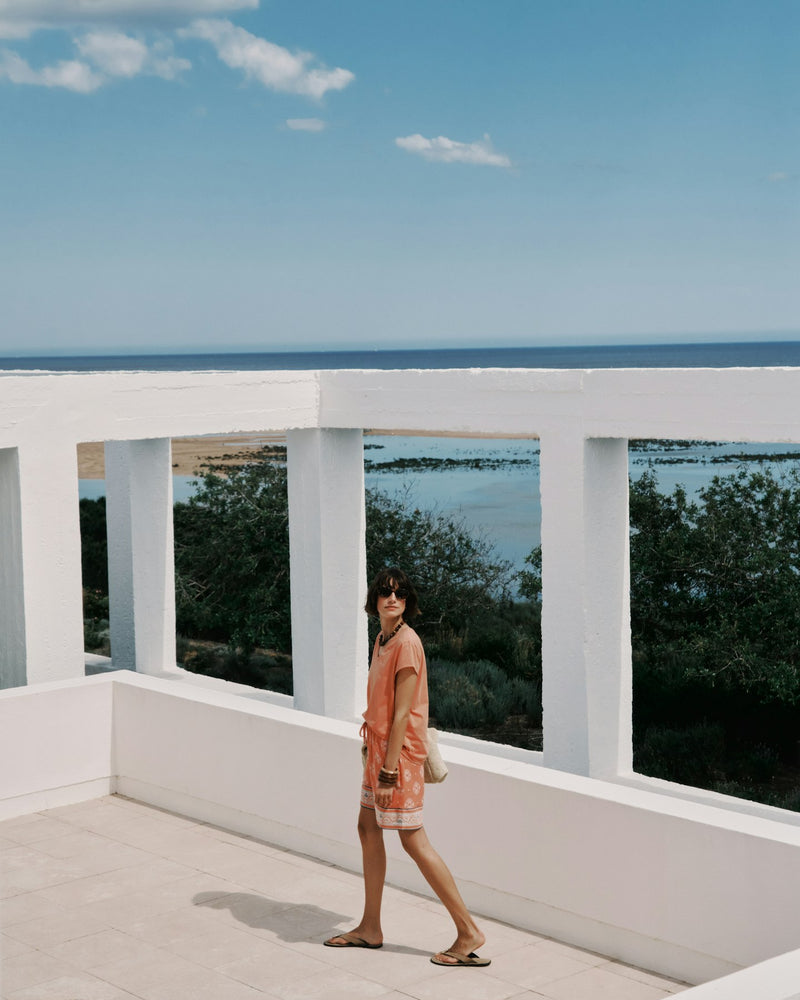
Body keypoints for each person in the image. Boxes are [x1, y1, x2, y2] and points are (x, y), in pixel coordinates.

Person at [324, 567, 490, 968]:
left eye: (399, 594)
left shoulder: (407, 644)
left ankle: (468, 931)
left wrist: (388, 771)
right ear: (375, 601)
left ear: (407, 602)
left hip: (398, 757)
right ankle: (370, 928)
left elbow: (402, 715)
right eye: (384, 593)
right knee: (367, 828)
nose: (391, 599)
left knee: (413, 840)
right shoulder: (383, 638)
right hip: (378, 748)